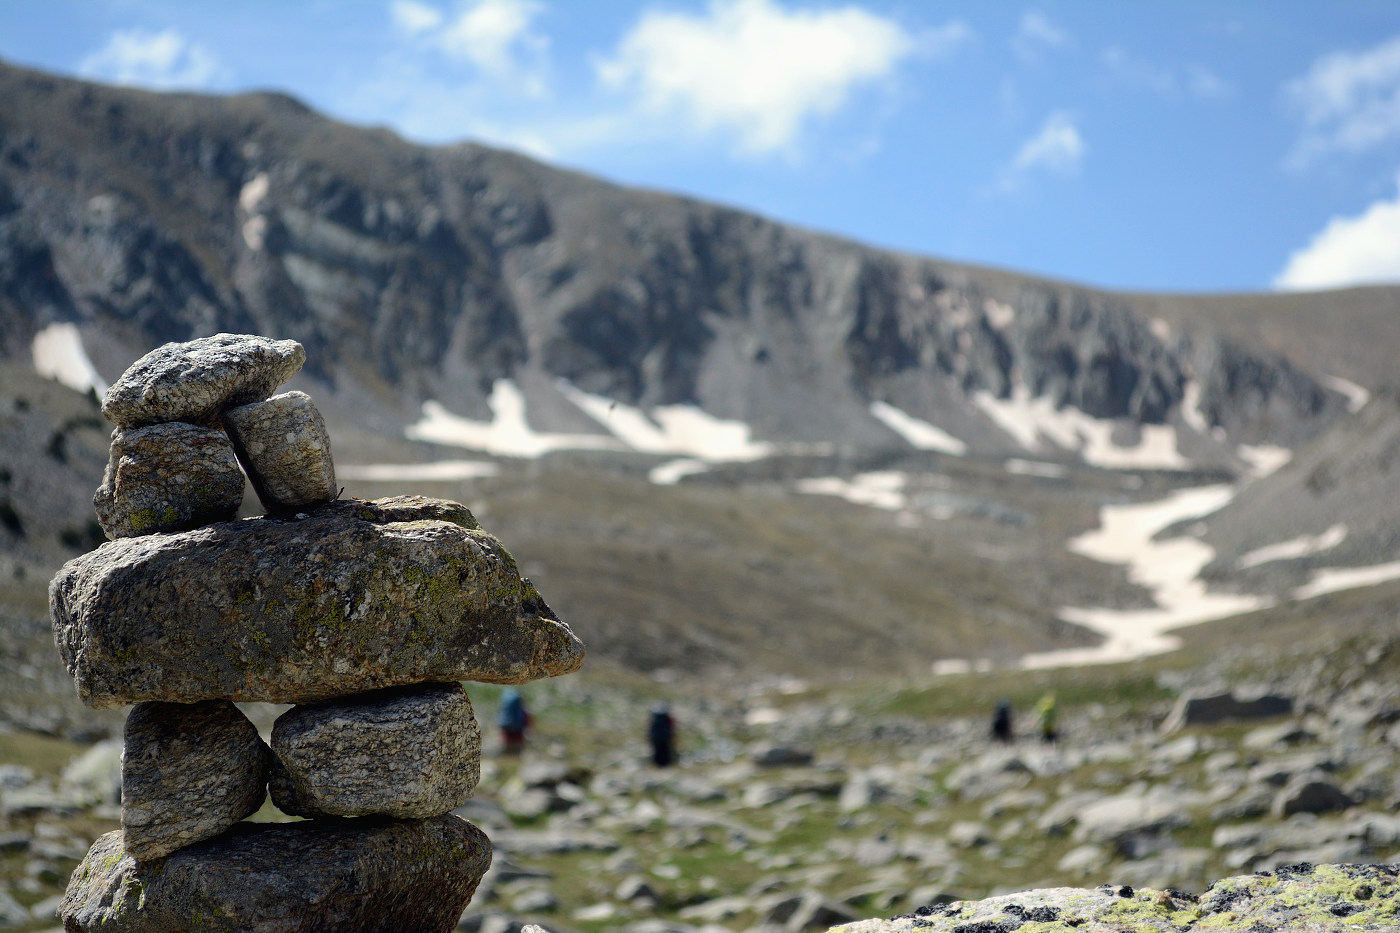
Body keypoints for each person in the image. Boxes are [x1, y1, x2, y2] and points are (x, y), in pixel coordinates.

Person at [498, 688, 529, 755]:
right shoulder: (519, 703)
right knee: (517, 749)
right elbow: (526, 716)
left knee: (506, 747)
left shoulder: (506, 699)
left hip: (506, 726)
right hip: (518, 728)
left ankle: (506, 761)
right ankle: (515, 761)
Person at [648, 702, 676, 767]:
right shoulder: (667, 718)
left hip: (656, 737)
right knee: (665, 750)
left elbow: (651, 728)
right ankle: (665, 764)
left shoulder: (655, 718)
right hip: (665, 737)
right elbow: (671, 727)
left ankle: (657, 764)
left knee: (657, 750)